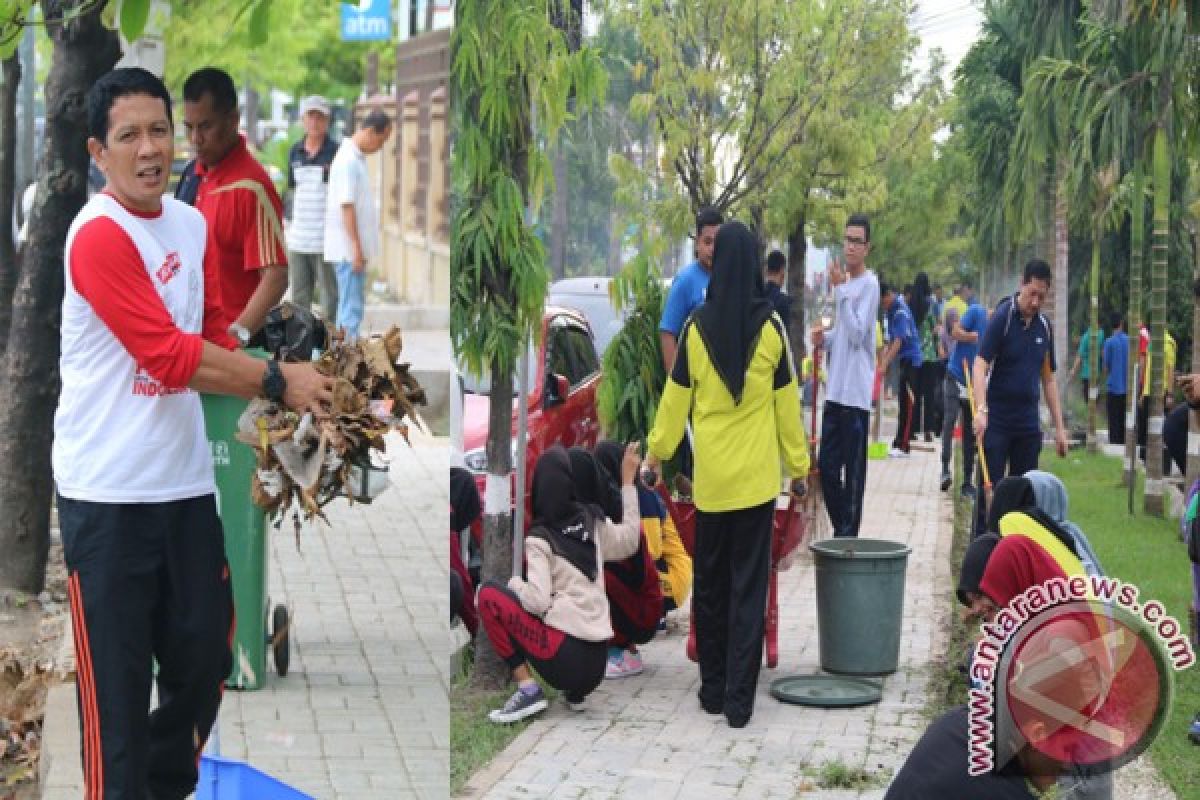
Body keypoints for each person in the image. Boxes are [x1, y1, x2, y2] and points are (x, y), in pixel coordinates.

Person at [59, 67, 333, 800]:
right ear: (98, 151)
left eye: (160, 131)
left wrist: (295, 399)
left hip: (182, 490)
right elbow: (167, 355)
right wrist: (278, 380)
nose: (150, 150)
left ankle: (157, 788)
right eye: (129, 136)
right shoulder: (96, 237)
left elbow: (211, 332)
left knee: (204, 656)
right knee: (113, 710)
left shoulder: (190, 223)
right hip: (106, 501)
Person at [644, 220, 809, 728]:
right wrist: (800, 469)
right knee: (747, 591)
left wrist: (656, 457)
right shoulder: (773, 330)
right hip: (757, 485)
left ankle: (712, 690)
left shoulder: (695, 329)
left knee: (711, 589)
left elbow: (675, 403)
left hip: (712, 484)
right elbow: (787, 407)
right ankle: (740, 701)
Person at [477, 444, 642, 723]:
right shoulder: (592, 523)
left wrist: (516, 584)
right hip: (597, 667)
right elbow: (629, 540)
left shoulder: (540, 539)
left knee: (489, 594)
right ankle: (575, 695)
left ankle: (528, 689)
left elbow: (538, 601)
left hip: (564, 659)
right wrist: (628, 483)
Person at [180, 67, 288, 342]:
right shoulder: (192, 174)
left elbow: (275, 276)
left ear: (233, 120)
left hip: (232, 350)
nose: (195, 139)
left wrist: (237, 337)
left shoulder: (252, 187)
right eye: (188, 128)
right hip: (191, 343)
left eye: (205, 126)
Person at [810, 213, 880, 537]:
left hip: (855, 395)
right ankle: (843, 530)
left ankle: (848, 535)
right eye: (847, 239)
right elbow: (843, 335)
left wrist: (839, 293)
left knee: (853, 476)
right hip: (835, 393)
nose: (850, 247)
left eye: (857, 241)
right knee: (826, 467)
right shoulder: (846, 286)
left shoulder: (869, 285)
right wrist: (824, 339)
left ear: (867, 247)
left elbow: (858, 334)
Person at [566, 446, 663, 679]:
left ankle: (619, 647)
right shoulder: (595, 512)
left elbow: (641, 550)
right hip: (639, 604)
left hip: (644, 613)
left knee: (592, 571)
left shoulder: (617, 514)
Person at [971, 259, 1068, 488]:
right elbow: (979, 364)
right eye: (1032, 293)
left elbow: (1048, 379)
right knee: (991, 493)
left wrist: (1060, 429)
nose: (1035, 302)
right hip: (998, 421)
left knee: (1023, 494)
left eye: (1041, 297)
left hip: (1027, 424)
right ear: (1022, 284)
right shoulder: (1003, 317)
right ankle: (988, 525)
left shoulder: (1044, 326)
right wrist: (981, 410)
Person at [594, 440, 692, 631]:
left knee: (614, 571)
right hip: (657, 569)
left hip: (673, 577)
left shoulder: (643, 495)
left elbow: (652, 550)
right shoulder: (620, 491)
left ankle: (648, 615)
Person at [325, 109, 393, 340]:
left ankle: (344, 361)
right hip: (348, 251)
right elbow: (347, 206)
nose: (380, 147)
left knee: (350, 308)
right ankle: (346, 366)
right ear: (371, 132)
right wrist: (355, 247)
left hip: (351, 250)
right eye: (381, 140)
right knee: (350, 312)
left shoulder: (355, 159)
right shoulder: (347, 161)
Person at [285, 95, 339, 323]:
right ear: (303, 119)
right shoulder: (294, 152)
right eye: (311, 116)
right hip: (298, 239)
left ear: (327, 121)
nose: (315, 122)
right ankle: (301, 348)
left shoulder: (336, 152)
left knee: (329, 297)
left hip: (325, 240)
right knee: (299, 298)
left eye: (320, 117)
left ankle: (329, 350)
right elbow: (291, 192)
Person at [659, 206, 723, 372]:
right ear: (697, 244)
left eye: (718, 242)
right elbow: (667, 333)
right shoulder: (686, 280)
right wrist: (676, 384)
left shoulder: (728, 277)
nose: (713, 249)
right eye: (707, 242)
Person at [941, 281, 986, 496]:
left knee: (969, 431)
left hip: (973, 383)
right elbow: (955, 332)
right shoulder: (977, 312)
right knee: (949, 422)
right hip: (956, 374)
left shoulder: (1000, 334)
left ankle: (967, 482)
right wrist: (971, 337)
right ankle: (944, 470)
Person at [879, 281, 922, 457]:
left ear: (888, 295)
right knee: (902, 403)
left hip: (911, 361)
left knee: (907, 403)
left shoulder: (900, 311)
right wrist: (882, 359)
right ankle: (898, 442)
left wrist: (886, 363)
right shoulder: (891, 311)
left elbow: (898, 341)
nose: (883, 305)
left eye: (883, 301)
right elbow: (890, 340)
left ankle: (904, 445)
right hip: (904, 360)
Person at [913, 272, 942, 441]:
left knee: (916, 393)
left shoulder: (911, 305)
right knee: (929, 395)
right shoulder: (931, 305)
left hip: (915, 357)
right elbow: (936, 328)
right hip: (929, 356)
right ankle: (928, 430)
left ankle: (915, 428)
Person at [1101, 315, 1128, 445]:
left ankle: (1114, 445)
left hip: (1113, 387)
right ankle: (1124, 443)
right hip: (1127, 387)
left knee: (1113, 419)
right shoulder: (1129, 340)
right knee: (1124, 419)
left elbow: (1106, 367)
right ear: (1121, 323)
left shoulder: (1109, 342)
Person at [1069, 324, 1106, 406]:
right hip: (1096, 375)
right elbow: (1103, 352)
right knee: (1094, 399)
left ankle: (1091, 415)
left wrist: (1073, 370)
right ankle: (1093, 413)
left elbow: (1079, 356)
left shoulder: (1085, 337)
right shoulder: (1101, 334)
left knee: (1088, 400)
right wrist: (1104, 365)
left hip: (1087, 376)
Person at [763, 249, 792, 330]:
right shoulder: (783, 302)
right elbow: (785, 336)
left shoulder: (757, 296)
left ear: (766, 270)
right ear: (782, 270)